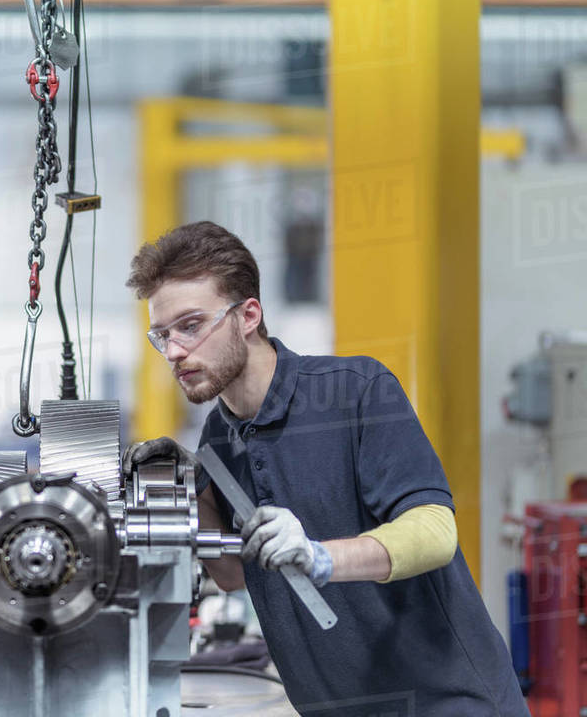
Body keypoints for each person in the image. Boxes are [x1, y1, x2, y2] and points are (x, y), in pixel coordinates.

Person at [124, 221, 528, 717]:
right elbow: (230, 574)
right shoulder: (218, 438)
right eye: (161, 335)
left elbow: (435, 531)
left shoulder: (356, 390)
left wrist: (320, 557)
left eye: (190, 326)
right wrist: (190, 486)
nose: (174, 352)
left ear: (248, 315)